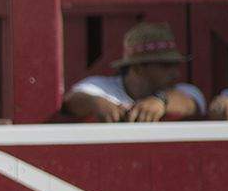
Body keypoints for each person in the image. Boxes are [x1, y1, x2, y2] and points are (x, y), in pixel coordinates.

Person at [62, 22, 207, 123]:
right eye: (166, 65)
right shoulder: (101, 87)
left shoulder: (182, 91)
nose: (176, 73)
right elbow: (72, 100)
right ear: (137, 68)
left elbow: (192, 102)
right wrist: (95, 102)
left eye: (175, 65)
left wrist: (161, 101)